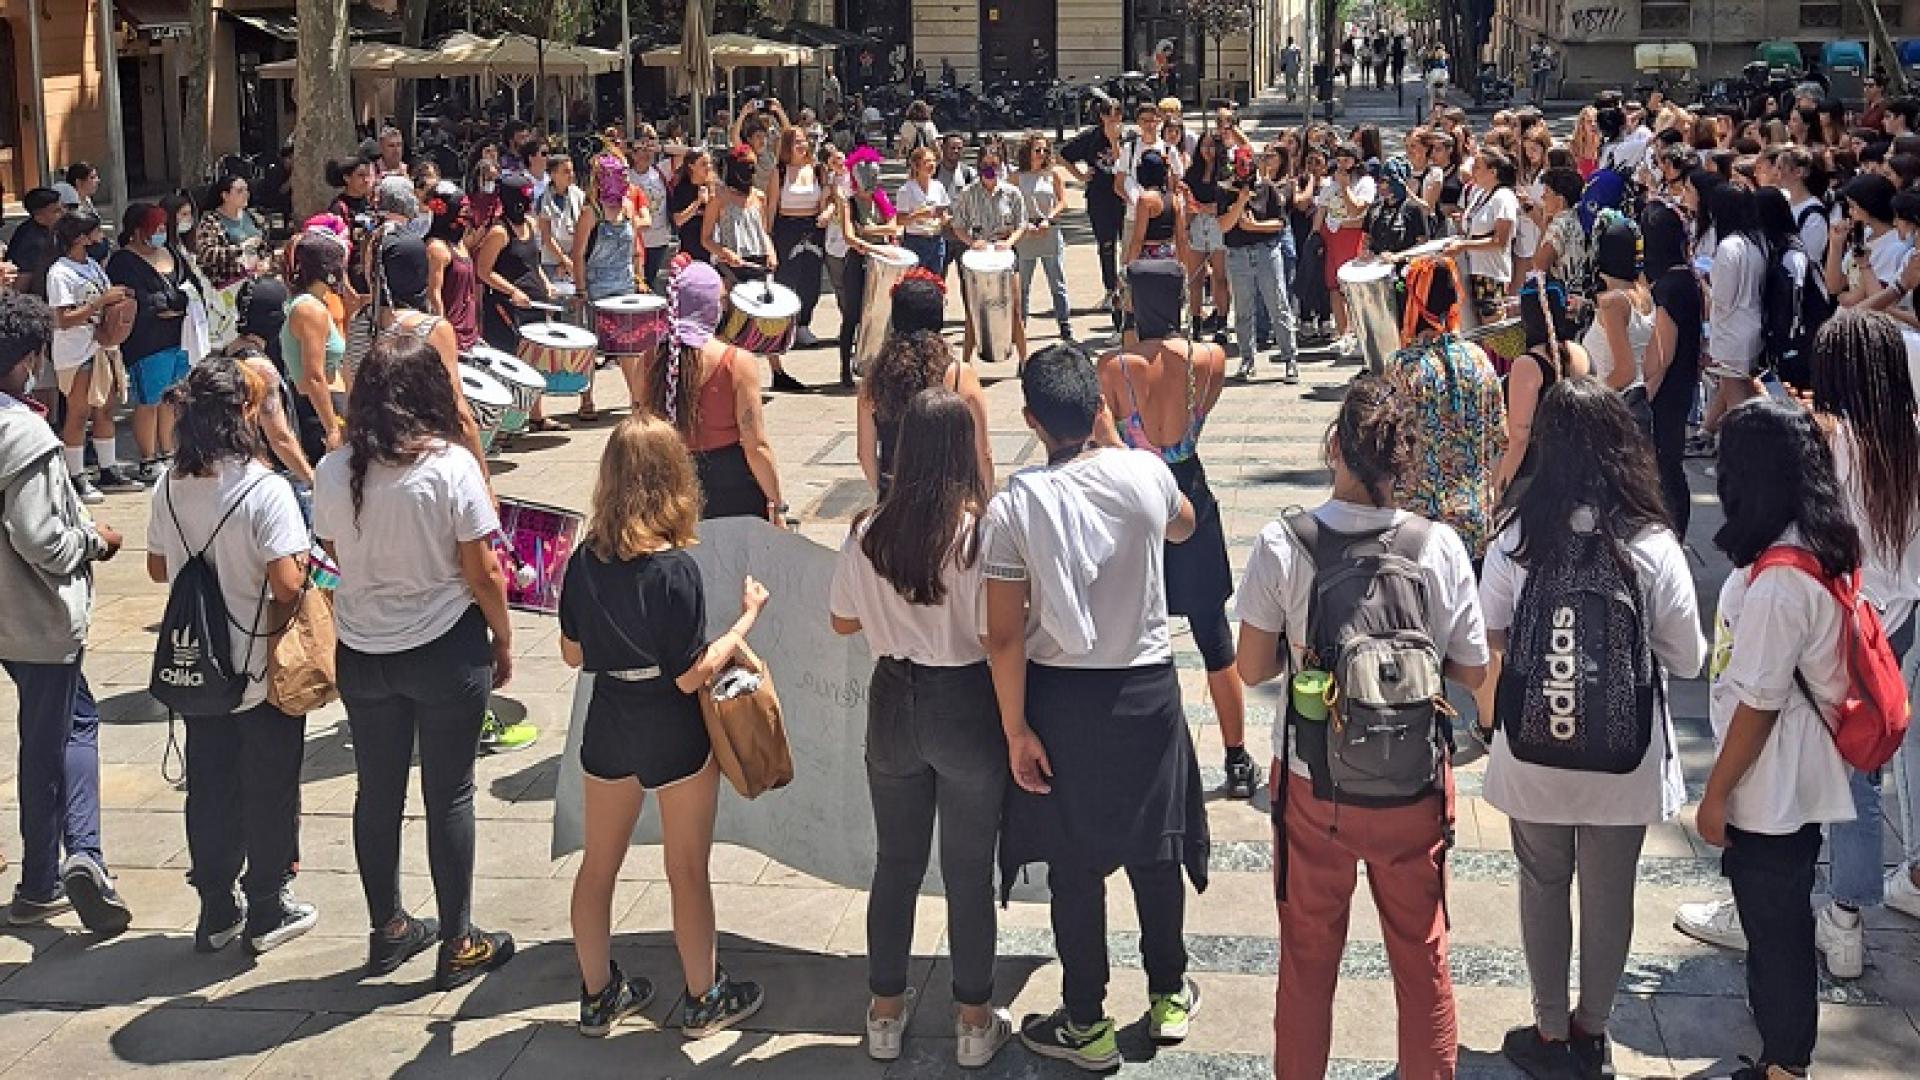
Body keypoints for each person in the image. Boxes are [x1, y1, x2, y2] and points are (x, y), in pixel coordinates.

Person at [1234, 375, 1488, 1080]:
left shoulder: (1284, 543)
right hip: (1413, 786)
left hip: (1314, 786)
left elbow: (1251, 668)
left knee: (1307, 960)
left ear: (1334, 448)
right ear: (1403, 458)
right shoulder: (1438, 546)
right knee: (1422, 956)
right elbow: (1472, 671)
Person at [983, 344, 1205, 1072]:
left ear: (1031, 421)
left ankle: (1086, 1019)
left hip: (1062, 697)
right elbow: (1185, 525)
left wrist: (1015, 728)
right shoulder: (1143, 474)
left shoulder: (1015, 507)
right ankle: (1169, 995)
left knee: (1074, 864)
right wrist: (1118, 445)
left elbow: (1004, 634)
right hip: (1147, 690)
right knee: (1156, 848)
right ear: (1100, 408)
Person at [1483, 375, 1707, 1080]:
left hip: (1534, 749)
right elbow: (1688, 658)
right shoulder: (1651, 542)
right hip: (1625, 755)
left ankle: (1549, 1032)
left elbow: (1489, 633)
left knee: (1542, 882)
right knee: (1610, 893)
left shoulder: (1517, 533)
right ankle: (1594, 1030)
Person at [311, 335, 518, 991]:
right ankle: (459, 939)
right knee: (449, 791)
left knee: (377, 792)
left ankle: (389, 927)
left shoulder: (333, 469)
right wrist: (502, 637)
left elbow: (329, 554)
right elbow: (484, 572)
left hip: (363, 649)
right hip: (443, 644)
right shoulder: (449, 467)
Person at [559, 414, 769, 1040]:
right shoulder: (675, 569)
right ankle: (704, 998)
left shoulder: (584, 561)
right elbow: (687, 675)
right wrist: (745, 621)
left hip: (609, 721)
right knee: (686, 869)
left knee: (598, 866)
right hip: (673, 730)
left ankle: (598, 995)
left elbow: (571, 654)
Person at [829, 388, 1012, 1067]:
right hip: (963, 699)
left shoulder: (867, 530)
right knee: (968, 869)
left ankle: (884, 1010)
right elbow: (997, 633)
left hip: (892, 697)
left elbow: (841, 620)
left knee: (896, 863)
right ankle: (973, 1020)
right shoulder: (979, 534)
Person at [1694, 399, 1861, 1080]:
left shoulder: (1781, 584)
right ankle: (1781, 1058)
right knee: (1776, 921)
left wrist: (1715, 795)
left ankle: (1786, 1065)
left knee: (1777, 930)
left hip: (1772, 784)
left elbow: (1758, 705)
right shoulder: (1808, 543)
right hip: (1787, 774)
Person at [144, 357, 317, 954]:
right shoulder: (264, 489)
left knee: (210, 787)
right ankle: (267, 905)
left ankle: (215, 908)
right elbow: (287, 585)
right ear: (244, 412)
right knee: (271, 786)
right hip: (258, 664)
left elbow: (158, 568)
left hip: (200, 666)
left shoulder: (169, 483)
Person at [1093, 260, 1257, 798]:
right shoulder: (1210, 360)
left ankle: (1143, 758)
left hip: (1137, 500)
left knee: (1137, 634)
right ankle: (1237, 758)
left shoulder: (1112, 368)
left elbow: (1104, 437)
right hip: (1192, 490)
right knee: (1214, 636)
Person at [0, 288, 130, 934]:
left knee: (63, 721)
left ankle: (67, 864)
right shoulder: (22, 434)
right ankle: (57, 870)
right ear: (28, 359)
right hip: (32, 613)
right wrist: (93, 541)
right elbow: (42, 539)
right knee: (63, 733)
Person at [644, 256, 785, 522]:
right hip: (732, 487)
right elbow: (756, 445)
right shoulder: (736, 361)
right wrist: (778, 504)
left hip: (669, 483)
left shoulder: (652, 358)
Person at [1388, 256, 1507, 559]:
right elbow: (1499, 440)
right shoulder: (1479, 360)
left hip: (1416, 527)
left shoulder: (1402, 367)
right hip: (1474, 519)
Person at [858, 280, 992, 496]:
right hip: (949, 500)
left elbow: (865, 454)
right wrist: (985, 500)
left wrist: (885, 496)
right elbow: (983, 452)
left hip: (896, 498)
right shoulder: (958, 375)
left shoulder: (875, 378)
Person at [46, 211, 142, 503]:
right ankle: (76, 476)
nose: (101, 236)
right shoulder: (59, 273)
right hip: (76, 351)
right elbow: (63, 319)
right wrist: (101, 302)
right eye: (96, 231)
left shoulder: (90, 265)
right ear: (80, 237)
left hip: (102, 348)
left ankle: (108, 469)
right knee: (79, 413)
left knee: (105, 409)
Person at [474, 171, 570, 432]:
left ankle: (537, 416)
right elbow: (484, 271)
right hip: (506, 308)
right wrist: (512, 291)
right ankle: (504, 425)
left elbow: (533, 264)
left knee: (533, 360)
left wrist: (546, 284)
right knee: (509, 362)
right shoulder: (499, 232)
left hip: (533, 305)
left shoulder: (530, 224)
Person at [108, 204, 192, 483]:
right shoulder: (123, 261)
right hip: (147, 342)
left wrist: (179, 304)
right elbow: (139, 299)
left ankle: (168, 451)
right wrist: (165, 306)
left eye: (162, 227)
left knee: (172, 398)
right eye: (154, 228)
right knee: (150, 400)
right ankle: (148, 457)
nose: (159, 233)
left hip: (180, 337)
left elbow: (189, 286)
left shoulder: (171, 252)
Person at [1494, 275, 1591, 501]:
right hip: (1580, 469)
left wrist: (1498, 489)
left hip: (1538, 480)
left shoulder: (1527, 365)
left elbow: (1519, 437)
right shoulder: (1580, 353)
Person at [572, 151, 648, 421]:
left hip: (624, 285)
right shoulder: (591, 212)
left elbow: (633, 248)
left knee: (629, 347)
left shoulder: (627, 207)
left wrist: (639, 278)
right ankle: (586, 399)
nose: (626, 179)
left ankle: (637, 400)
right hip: (597, 287)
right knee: (591, 346)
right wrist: (581, 289)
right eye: (621, 175)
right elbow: (578, 253)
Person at [1222, 145, 1298, 381]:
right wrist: (1240, 202)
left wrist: (1254, 227)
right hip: (1238, 254)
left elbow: (1280, 223)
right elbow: (1223, 225)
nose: (1243, 171)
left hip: (1266, 252)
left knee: (1278, 305)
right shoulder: (1225, 190)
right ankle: (1247, 359)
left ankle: (1290, 358)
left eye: (1247, 166)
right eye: (1239, 167)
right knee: (1243, 310)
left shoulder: (1267, 188)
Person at [952, 143, 1029, 364]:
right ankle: (966, 364)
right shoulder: (968, 194)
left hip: (1005, 257)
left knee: (1015, 311)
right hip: (978, 260)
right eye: (985, 165)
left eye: (994, 165)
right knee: (972, 312)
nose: (990, 169)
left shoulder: (1012, 193)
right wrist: (971, 242)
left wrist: (1009, 242)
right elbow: (957, 226)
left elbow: (1021, 224)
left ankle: (1024, 362)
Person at [835, 147, 901, 387]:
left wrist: (871, 230)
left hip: (881, 262)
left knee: (883, 316)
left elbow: (894, 227)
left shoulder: (880, 199)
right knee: (852, 315)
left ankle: (879, 368)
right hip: (858, 262)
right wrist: (871, 243)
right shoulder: (848, 202)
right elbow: (850, 236)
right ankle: (845, 369)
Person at [1060, 99, 1129, 312]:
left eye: (1117, 115)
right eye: (1109, 115)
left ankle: (1128, 288)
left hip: (1124, 197)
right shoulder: (1091, 137)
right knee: (1106, 244)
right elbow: (1063, 155)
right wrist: (1080, 176)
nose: (1113, 120)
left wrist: (1114, 141)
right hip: (1099, 197)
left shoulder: (1129, 137)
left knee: (1128, 244)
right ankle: (1110, 289)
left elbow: (1122, 164)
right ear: (1102, 117)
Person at [765, 127, 830, 348]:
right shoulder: (779, 172)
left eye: (804, 141)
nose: (802, 146)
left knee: (810, 279)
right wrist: (767, 239)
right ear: (787, 146)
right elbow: (771, 208)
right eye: (796, 142)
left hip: (813, 228)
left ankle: (803, 324)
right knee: (786, 279)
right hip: (786, 228)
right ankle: (784, 326)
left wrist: (826, 213)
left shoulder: (817, 170)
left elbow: (828, 199)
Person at [190, 176, 271, 351]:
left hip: (254, 283)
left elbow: (264, 246)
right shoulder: (210, 221)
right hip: (226, 288)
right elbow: (207, 254)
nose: (246, 194)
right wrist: (240, 249)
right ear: (225, 195)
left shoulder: (252, 217)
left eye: (247, 190)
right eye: (239, 191)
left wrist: (264, 261)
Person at [1014, 133, 1074, 346]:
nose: (1041, 154)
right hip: (1026, 233)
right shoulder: (1017, 177)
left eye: (1045, 150)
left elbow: (1063, 201)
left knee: (1057, 281)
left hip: (1049, 231)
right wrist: (1023, 224)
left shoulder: (1052, 175)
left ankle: (1064, 324)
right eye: (1037, 150)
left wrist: (1049, 218)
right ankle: (1021, 325)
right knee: (1023, 285)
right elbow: (1009, 204)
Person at [1450, 147, 1522, 320]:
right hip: (1473, 268)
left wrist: (1464, 246)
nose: (1472, 171)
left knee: (1491, 323)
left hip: (1491, 273)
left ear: (1492, 172)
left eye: (1477, 167)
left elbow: (1500, 240)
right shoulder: (1480, 194)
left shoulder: (1503, 197)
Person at [1319, 144, 1375, 357]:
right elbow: (1322, 209)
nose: (1342, 164)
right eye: (1339, 159)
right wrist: (1315, 236)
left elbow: (1356, 209)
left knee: (1353, 287)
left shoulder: (1365, 182)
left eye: (1347, 159)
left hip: (1353, 236)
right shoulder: (1330, 182)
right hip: (1332, 236)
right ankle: (1343, 334)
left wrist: (1344, 188)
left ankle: (1360, 334)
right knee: (1334, 287)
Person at [895, 146, 952, 281]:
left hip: (936, 240)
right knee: (916, 281)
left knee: (935, 281)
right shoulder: (906, 190)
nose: (931, 164)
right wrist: (918, 215)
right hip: (915, 241)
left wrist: (945, 218)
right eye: (927, 161)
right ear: (916, 166)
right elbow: (900, 220)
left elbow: (944, 211)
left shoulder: (938, 186)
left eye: (933, 161)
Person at [5, 188, 64, 300]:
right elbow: (21, 282)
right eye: (56, 211)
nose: (63, 213)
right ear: (39, 217)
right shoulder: (31, 241)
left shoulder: (53, 229)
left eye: (63, 208)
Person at [538, 153, 585, 286]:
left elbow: (585, 229)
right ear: (553, 174)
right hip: (552, 262)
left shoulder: (580, 195)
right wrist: (563, 260)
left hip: (576, 258)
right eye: (566, 171)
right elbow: (546, 237)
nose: (571, 175)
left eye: (571, 171)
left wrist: (571, 260)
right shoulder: (543, 200)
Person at [668, 150, 715, 264]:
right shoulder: (681, 189)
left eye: (710, 163)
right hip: (690, 250)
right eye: (704, 164)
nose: (708, 167)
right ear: (691, 166)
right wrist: (698, 202)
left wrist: (711, 201)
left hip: (713, 249)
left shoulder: (715, 188)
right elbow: (678, 220)